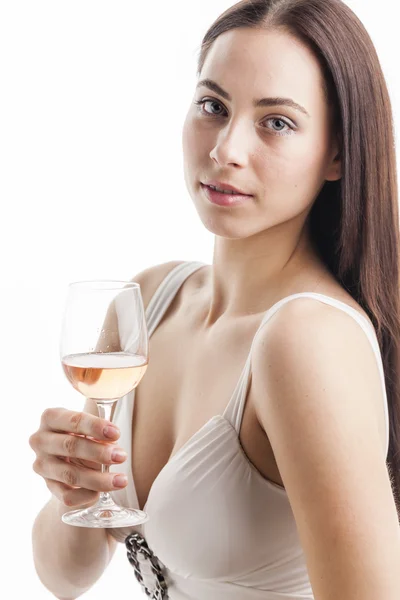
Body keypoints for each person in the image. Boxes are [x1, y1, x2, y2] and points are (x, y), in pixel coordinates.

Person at [30, 1, 400, 599]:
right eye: (213, 106)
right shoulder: (151, 299)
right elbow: (62, 576)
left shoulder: (305, 340)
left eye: (276, 122)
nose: (226, 148)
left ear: (337, 153)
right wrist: (73, 490)